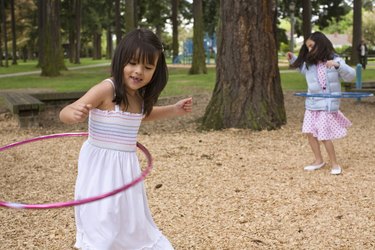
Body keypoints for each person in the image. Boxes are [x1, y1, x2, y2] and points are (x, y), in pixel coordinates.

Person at [59, 28, 192, 250]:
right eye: (132, 63)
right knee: (103, 214)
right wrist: (72, 114)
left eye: (148, 67)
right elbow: (66, 111)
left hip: (126, 168)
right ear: (120, 60)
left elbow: (143, 116)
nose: (139, 71)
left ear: (156, 70)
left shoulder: (139, 97)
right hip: (100, 168)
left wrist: (174, 110)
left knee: (127, 214)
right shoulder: (106, 89)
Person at [286, 31, 355, 175]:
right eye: (308, 48)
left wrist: (337, 65)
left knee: (324, 135)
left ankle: (335, 164)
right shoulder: (310, 64)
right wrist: (293, 59)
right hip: (312, 103)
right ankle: (318, 160)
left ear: (321, 44)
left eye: (312, 46)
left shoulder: (336, 60)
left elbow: (351, 76)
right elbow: (302, 70)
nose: (310, 50)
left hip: (327, 103)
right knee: (310, 133)